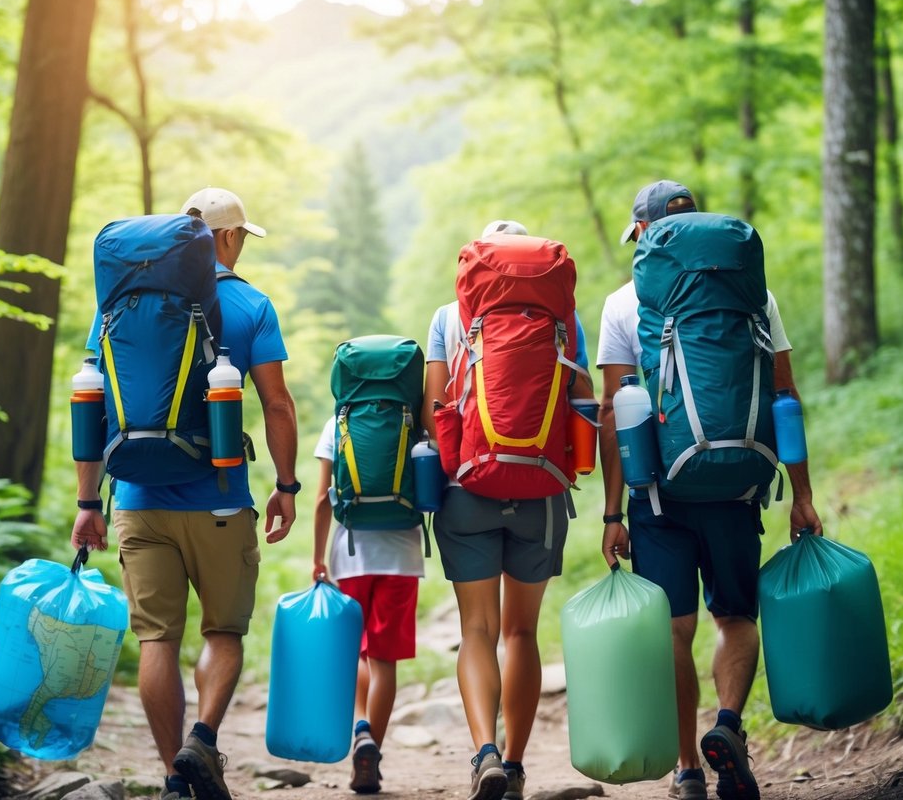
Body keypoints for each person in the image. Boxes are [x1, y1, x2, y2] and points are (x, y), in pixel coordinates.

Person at [597, 180, 823, 800]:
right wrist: (801, 494)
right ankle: (727, 726)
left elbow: (615, 412)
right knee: (735, 616)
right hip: (738, 482)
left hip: (659, 495)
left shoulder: (624, 302)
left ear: (644, 232)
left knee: (674, 629)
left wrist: (612, 512)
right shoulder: (758, 295)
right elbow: (785, 396)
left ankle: (686, 771)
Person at [72, 187, 300, 800]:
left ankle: (175, 775)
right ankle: (202, 739)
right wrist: (286, 485)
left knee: (157, 640)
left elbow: (90, 405)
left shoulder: (115, 305)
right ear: (227, 238)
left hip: (138, 498)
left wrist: (88, 503)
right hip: (221, 498)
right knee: (223, 635)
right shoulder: (250, 305)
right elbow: (277, 403)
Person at [422, 221, 594, 800]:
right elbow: (583, 403)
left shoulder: (450, 317)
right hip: (542, 491)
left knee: (477, 629)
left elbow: (435, 405)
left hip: (468, 488)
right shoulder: (564, 320)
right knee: (522, 631)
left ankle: (485, 754)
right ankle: (516, 767)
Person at [311, 414, 425, 795]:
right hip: (403, 555)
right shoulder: (412, 422)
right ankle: (373, 750)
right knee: (383, 658)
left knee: (355, 652)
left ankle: (360, 728)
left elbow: (322, 499)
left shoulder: (337, 423)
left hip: (351, 553)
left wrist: (318, 558)